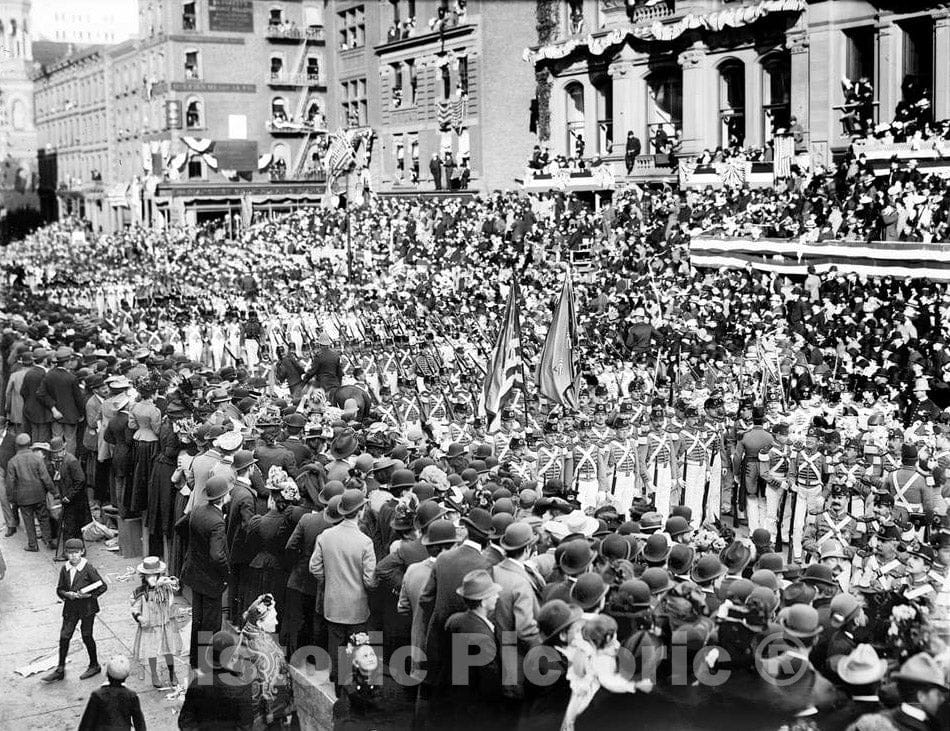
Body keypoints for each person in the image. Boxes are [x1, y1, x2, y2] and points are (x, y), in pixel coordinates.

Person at [309, 487, 377, 681]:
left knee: (335, 643)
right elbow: (370, 580)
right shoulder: (365, 542)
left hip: (332, 602)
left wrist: (329, 580)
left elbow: (314, 567)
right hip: (357, 604)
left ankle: (338, 680)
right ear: (361, 511)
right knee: (356, 646)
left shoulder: (325, 536)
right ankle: (354, 683)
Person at [180, 475, 231, 668]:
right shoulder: (218, 522)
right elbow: (217, 555)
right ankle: (207, 664)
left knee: (198, 619)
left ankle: (196, 660)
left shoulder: (198, 510)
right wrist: (226, 573)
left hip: (195, 574)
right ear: (223, 497)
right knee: (211, 623)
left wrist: (196, 549)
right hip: (211, 580)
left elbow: (180, 527)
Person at [43, 538, 108, 682]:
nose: (73, 556)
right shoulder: (65, 569)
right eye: (70, 553)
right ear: (66, 554)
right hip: (71, 608)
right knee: (64, 637)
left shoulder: (88, 568)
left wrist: (90, 595)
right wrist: (67, 594)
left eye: (76, 553)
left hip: (87, 608)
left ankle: (94, 664)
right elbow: (59, 589)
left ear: (82, 552)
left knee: (86, 635)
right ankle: (60, 669)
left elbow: (103, 586)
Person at [178, 630, 255, 731]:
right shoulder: (243, 686)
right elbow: (246, 725)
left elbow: (185, 723)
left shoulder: (198, 683)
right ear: (233, 658)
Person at [131, 555, 182, 688]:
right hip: (150, 626)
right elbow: (135, 607)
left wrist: (167, 584)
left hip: (165, 623)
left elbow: (175, 590)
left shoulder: (166, 588)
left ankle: (172, 673)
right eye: (149, 576)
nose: (152, 578)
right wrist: (139, 617)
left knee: (168, 649)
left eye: (155, 575)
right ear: (144, 576)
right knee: (150, 650)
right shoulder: (141, 591)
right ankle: (154, 674)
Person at [6, 432, 56, 551]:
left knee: (28, 521)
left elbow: (10, 483)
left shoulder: (13, 461)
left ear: (17, 445)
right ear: (29, 444)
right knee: (43, 518)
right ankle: (48, 541)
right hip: (39, 494)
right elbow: (45, 477)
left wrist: (11, 498)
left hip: (23, 497)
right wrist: (53, 491)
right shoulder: (37, 459)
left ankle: (33, 544)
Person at [77, 655, 146, 731]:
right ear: (127, 676)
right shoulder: (131, 696)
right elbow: (139, 722)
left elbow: (87, 722)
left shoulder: (97, 695)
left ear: (107, 674)